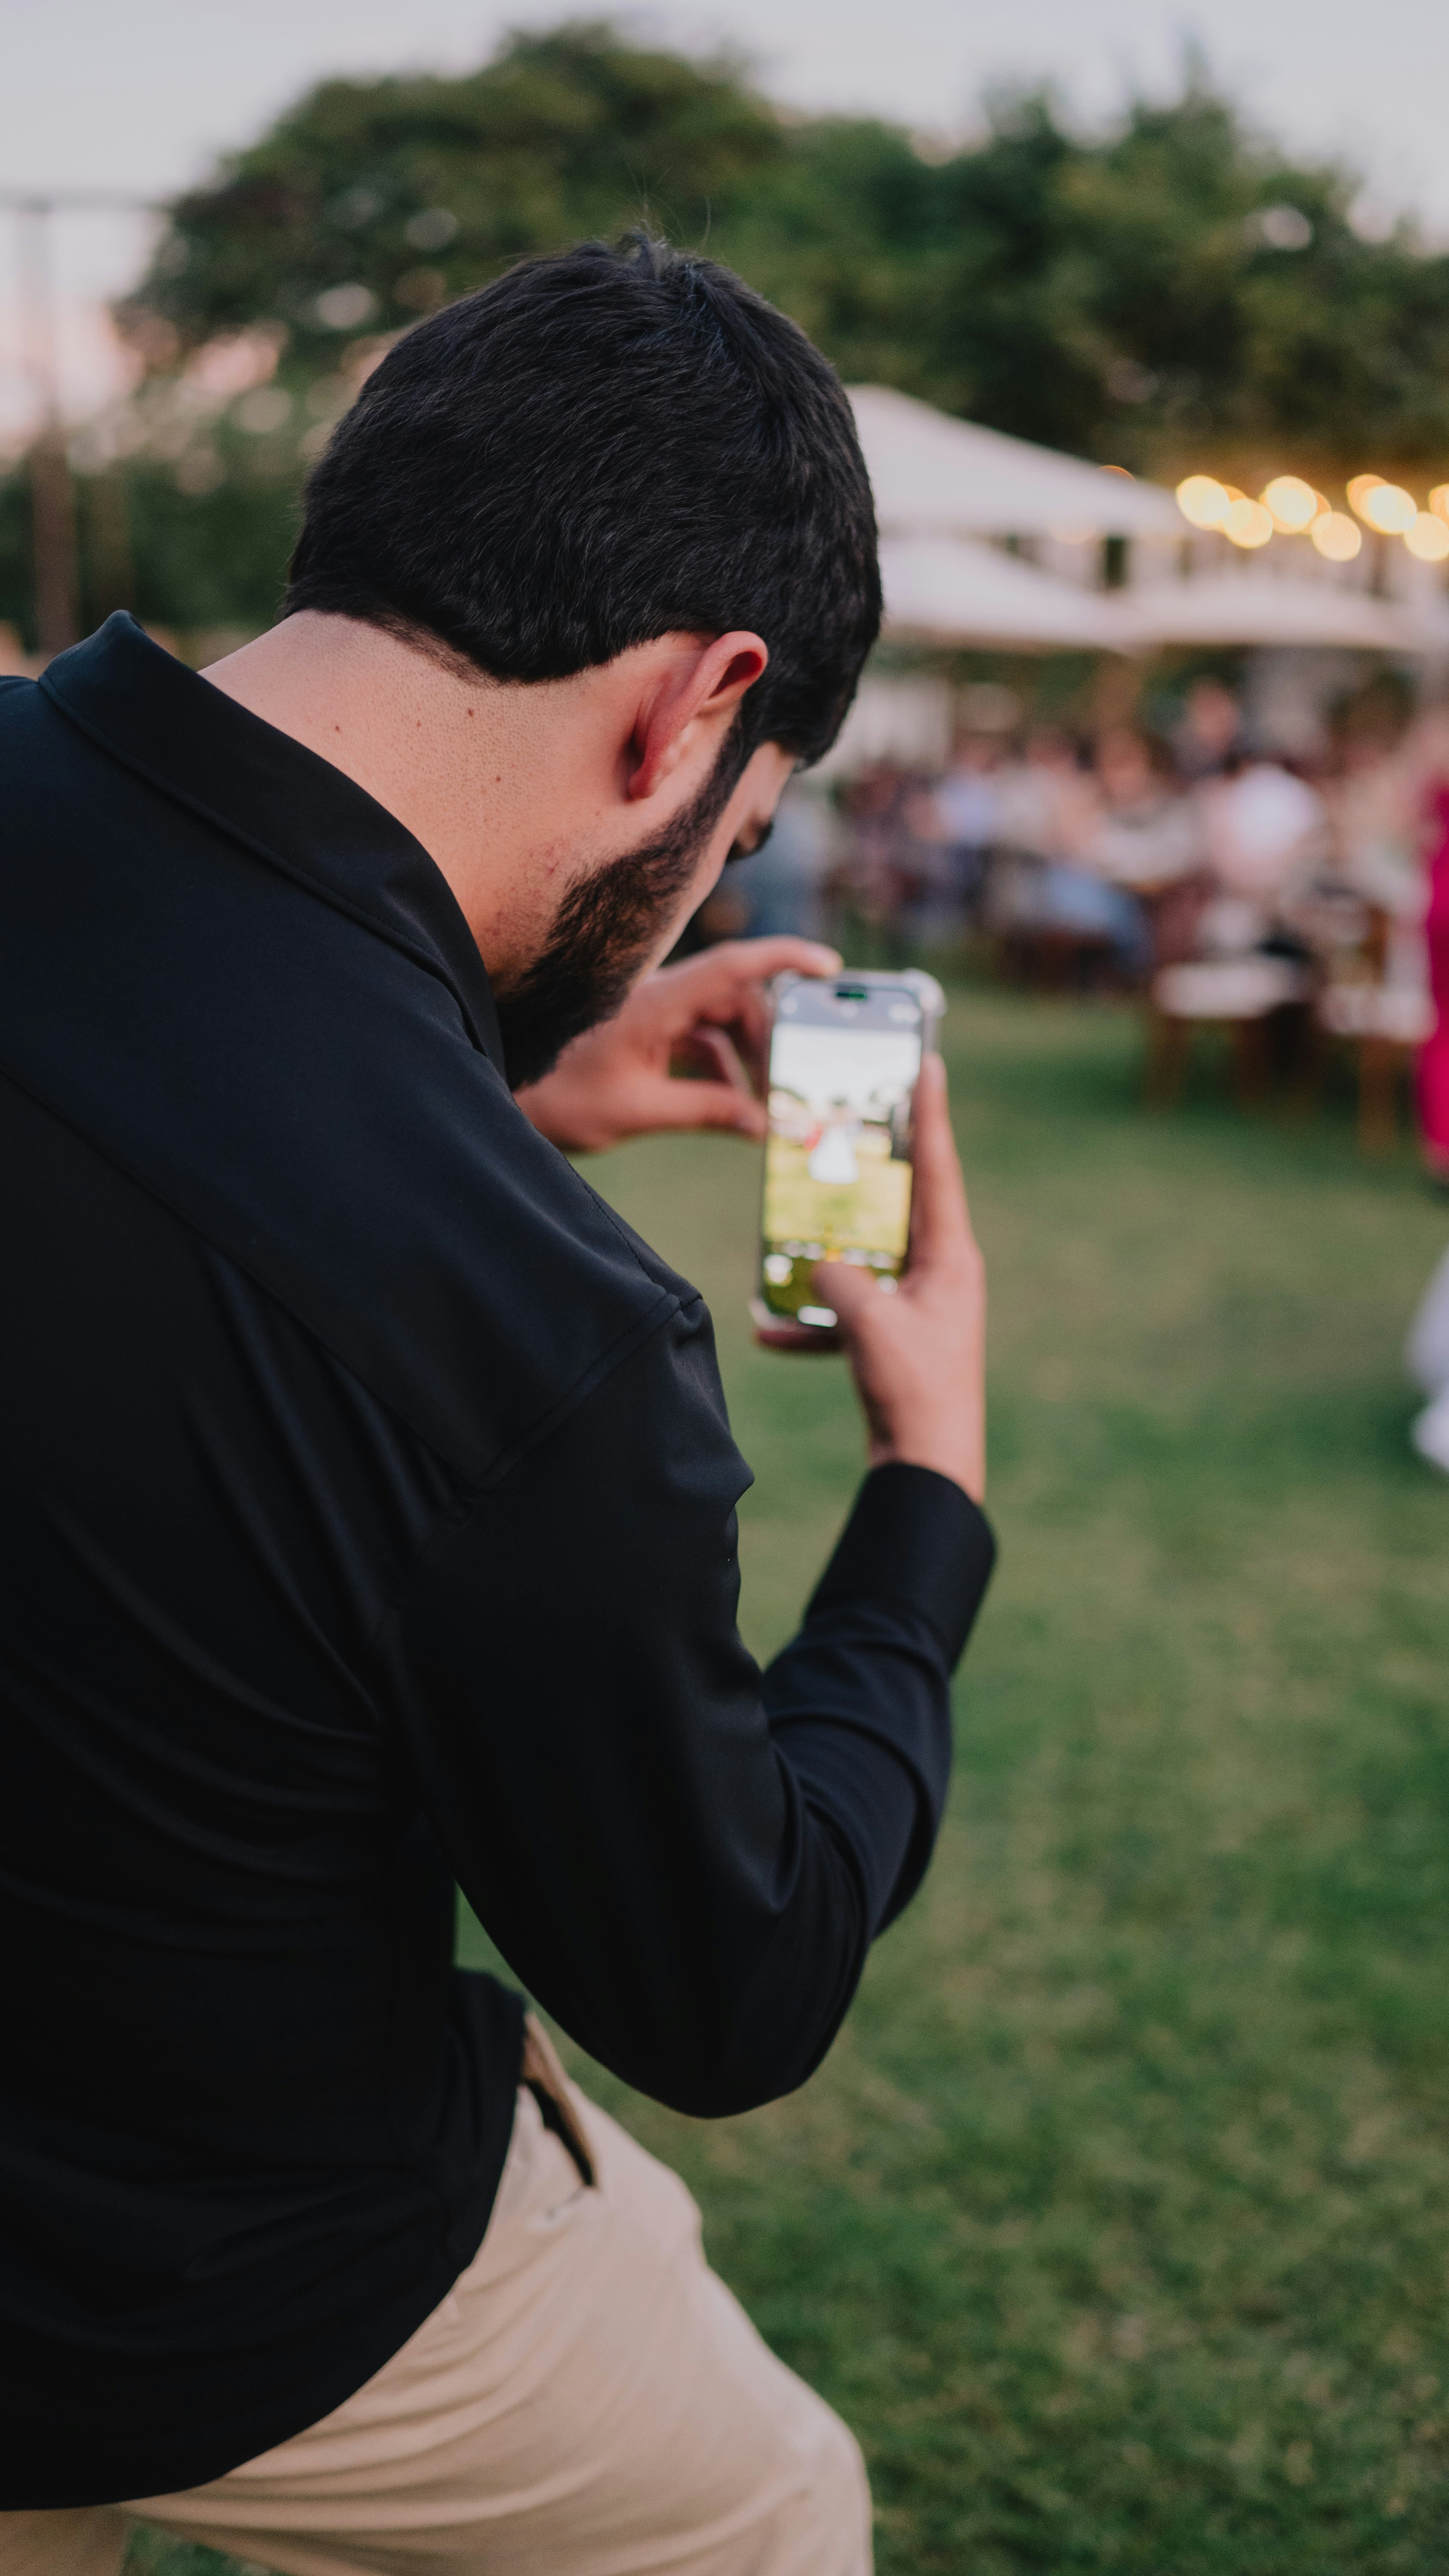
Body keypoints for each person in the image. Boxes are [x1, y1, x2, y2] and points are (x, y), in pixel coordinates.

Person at [0, 236, 993, 2576]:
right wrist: (928, 1479)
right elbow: (730, 1978)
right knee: (766, 2515)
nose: (683, 902)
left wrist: (511, 1094)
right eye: (731, 837)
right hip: (217, 2266)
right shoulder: (537, 1352)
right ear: (692, 706)